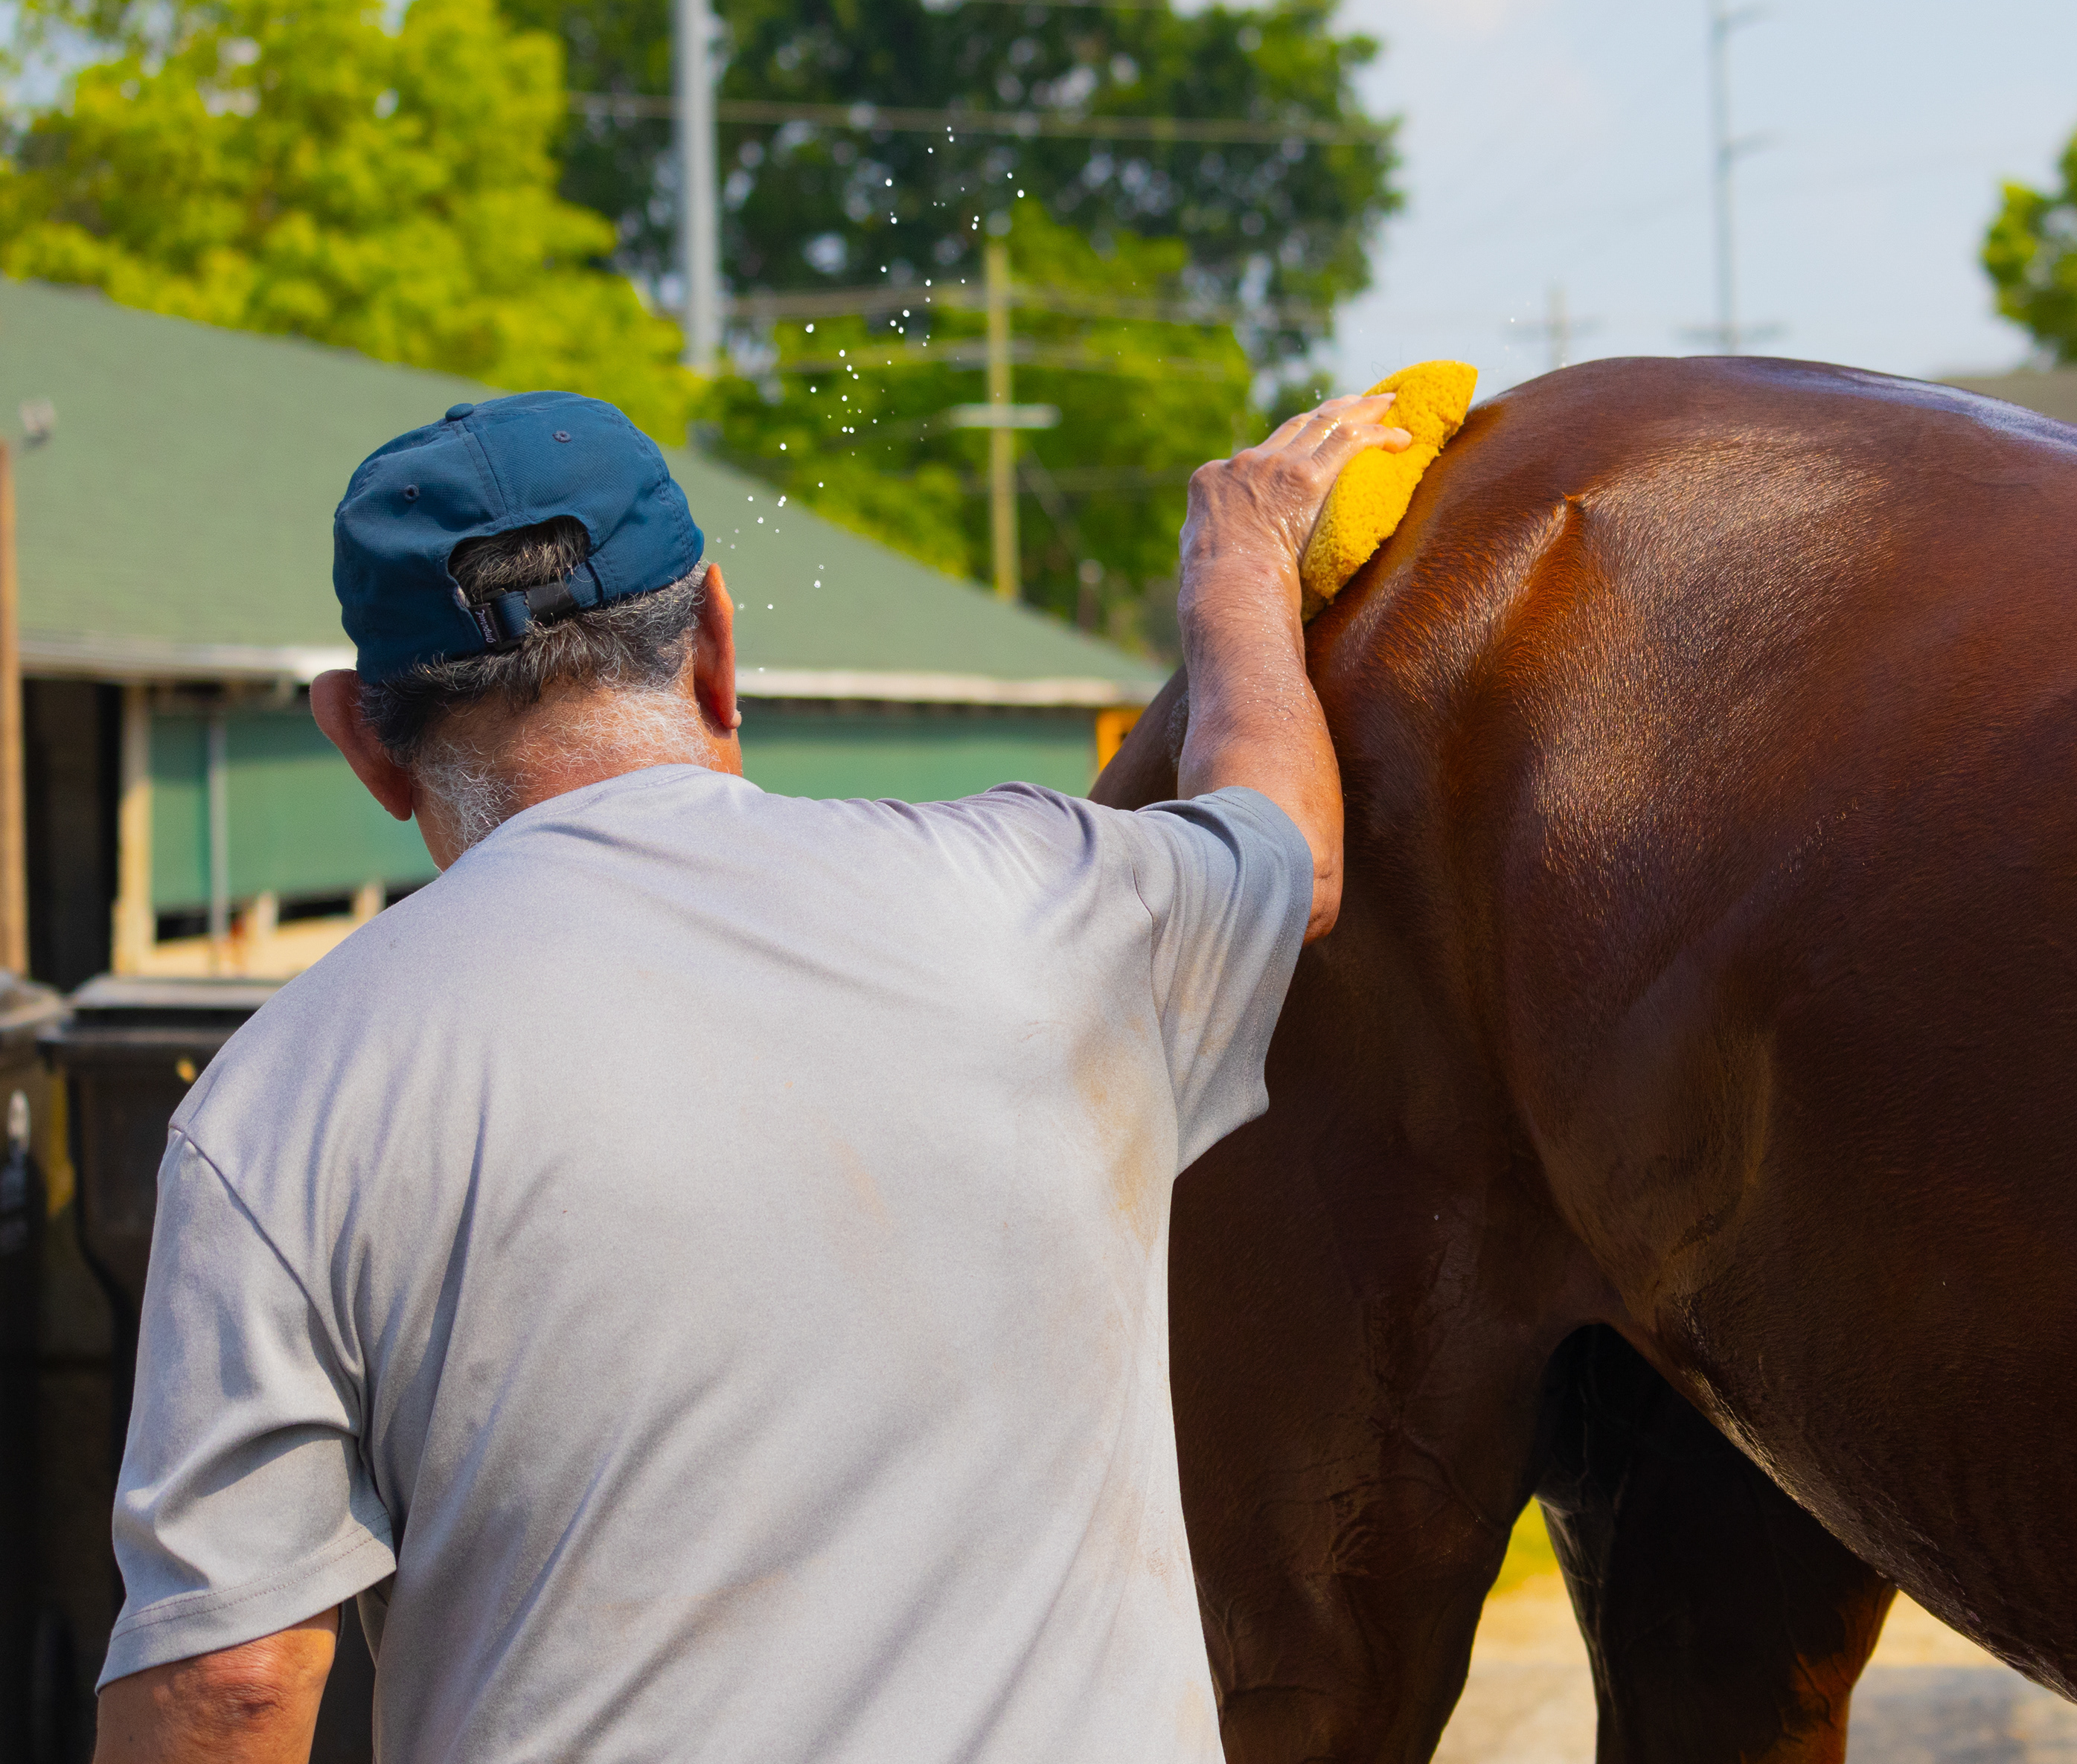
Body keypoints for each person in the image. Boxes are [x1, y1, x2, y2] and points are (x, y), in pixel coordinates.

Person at [89, 386, 1409, 1763]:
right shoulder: (1045, 904)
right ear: (716, 641)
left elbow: (231, 1688)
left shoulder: (277, 1109)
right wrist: (1238, 572)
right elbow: (1283, 844)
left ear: (362, 740)